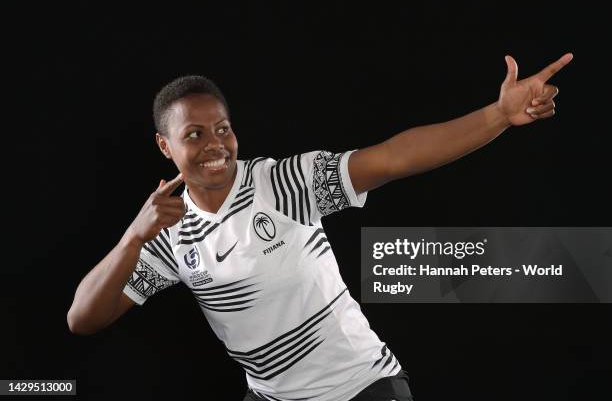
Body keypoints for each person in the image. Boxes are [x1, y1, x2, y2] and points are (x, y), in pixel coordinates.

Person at [67, 52, 573, 401]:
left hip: (361, 388)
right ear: (165, 146)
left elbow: (395, 158)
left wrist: (498, 116)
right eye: (194, 134)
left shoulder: (284, 184)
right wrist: (133, 236)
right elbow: (83, 319)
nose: (215, 144)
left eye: (223, 128)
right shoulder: (168, 233)